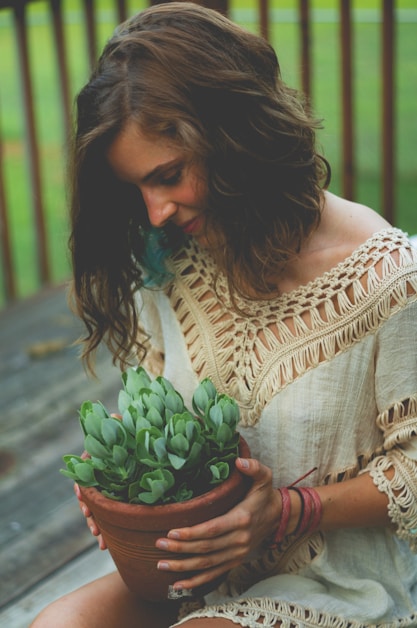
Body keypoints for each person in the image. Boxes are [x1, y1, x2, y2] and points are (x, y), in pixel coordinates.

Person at [31, 3, 417, 627]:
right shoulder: (174, 261)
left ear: (237, 138)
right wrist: (118, 487)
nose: (155, 210)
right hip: (193, 573)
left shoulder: (389, 282)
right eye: (137, 189)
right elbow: (147, 413)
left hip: (337, 588)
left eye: (169, 175)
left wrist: (289, 510)